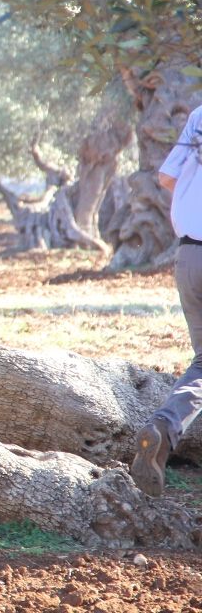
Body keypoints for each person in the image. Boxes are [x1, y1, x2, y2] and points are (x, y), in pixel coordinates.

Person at [131, 102, 202, 497]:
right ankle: (165, 425)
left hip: (189, 254)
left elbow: (167, 177)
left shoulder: (198, 115)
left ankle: (163, 427)